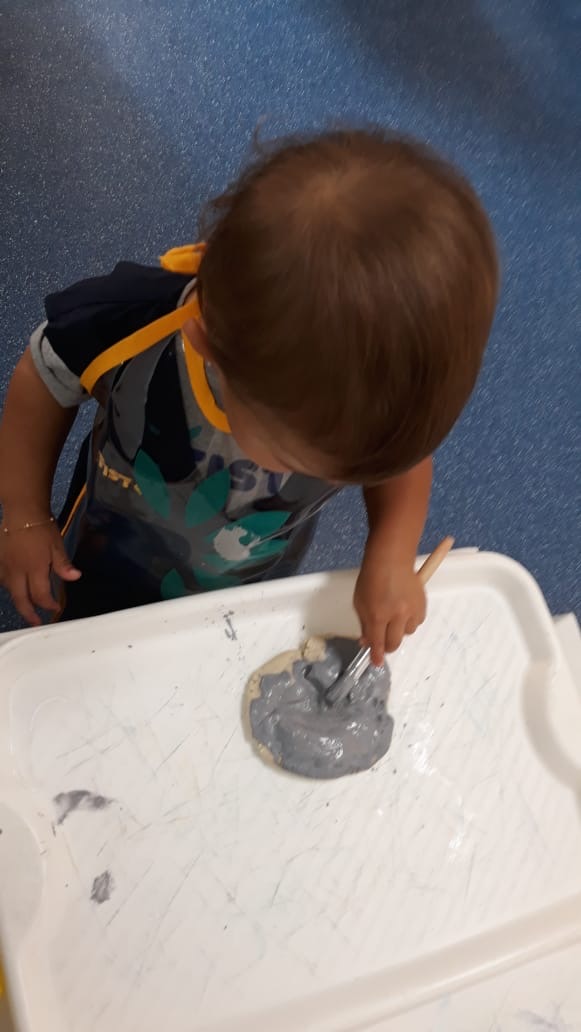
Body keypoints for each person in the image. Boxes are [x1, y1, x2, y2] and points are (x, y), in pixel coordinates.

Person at [0, 129, 498, 664]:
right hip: (108, 558)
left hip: (248, 578)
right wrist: (24, 514)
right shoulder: (132, 324)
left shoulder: (368, 408)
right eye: (303, 461)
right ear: (209, 344)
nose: (334, 479)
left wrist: (392, 553)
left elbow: (399, 461)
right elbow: (42, 376)